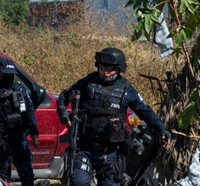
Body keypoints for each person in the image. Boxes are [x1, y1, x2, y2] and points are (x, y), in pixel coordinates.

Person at [57, 47, 172, 186]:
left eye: (109, 68)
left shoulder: (126, 88)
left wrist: (161, 128)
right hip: (84, 148)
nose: (105, 72)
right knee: (79, 182)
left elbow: (144, 110)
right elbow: (63, 96)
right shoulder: (87, 82)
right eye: (102, 67)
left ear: (118, 69)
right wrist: (63, 112)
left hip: (111, 153)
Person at [0, 59, 39, 186]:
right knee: (3, 178)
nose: (9, 77)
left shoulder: (19, 90)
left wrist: (34, 132)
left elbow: (30, 110)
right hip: (1, 139)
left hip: (20, 137)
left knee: (27, 174)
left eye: (11, 74)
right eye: (6, 74)